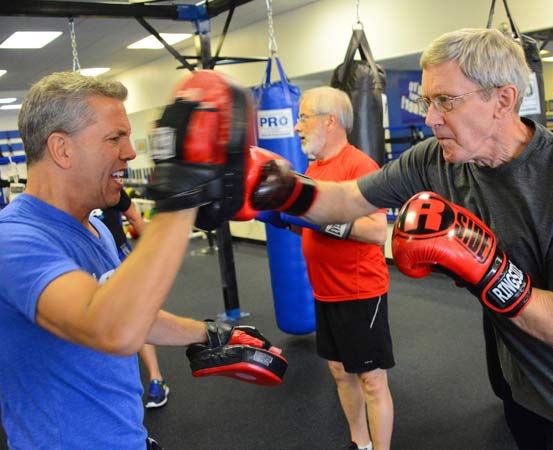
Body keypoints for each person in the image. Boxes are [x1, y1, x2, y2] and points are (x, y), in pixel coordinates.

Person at [248, 28, 553, 450]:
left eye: (446, 101)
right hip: (517, 373)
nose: (430, 118)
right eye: (429, 101)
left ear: (503, 100)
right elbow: (347, 199)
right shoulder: (435, 158)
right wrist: (282, 190)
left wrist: (482, 264)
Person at [0, 71, 280, 450]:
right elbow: (111, 329)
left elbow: (130, 313)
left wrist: (210, 332)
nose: (130, 152)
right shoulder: (14, 240)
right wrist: (182, 194)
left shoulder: (95, 230)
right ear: (62, 149)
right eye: (114, 138)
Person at [266, 86, 393, 450]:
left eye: (303, 117)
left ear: (330, 121)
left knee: (371, 380)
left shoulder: (359, 166)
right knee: (339, 371)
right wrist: (281, 220)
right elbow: (310, 226)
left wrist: (322, 221)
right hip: (324, 290)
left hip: (359, 291)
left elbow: (375, 231)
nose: (297, 126)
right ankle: (360, 442)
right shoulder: (313, 170)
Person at [95, 188, 169, 408]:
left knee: (134, 314)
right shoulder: (68, 194)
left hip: (118, 255)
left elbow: (135, 217)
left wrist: (153, 253)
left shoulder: (111, 189)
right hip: (90, 258)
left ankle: (156, 379)